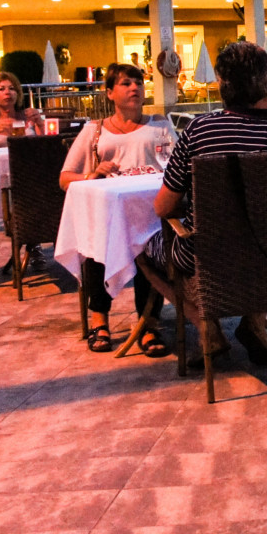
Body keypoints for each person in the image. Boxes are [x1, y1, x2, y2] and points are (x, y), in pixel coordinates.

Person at [153, 41, 267, 366]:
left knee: (141, 251)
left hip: (213, 258)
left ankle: (207, 328)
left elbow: (162, 207)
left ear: (222, 84)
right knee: (264, 244)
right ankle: (254, 323)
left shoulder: (199, 131)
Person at [59, 64, 176, 355]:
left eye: (138, 82)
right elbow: (65, 178)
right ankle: (99, 319)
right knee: (96, 242)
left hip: (149, 212)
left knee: (152, 245)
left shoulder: (160, 125)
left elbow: (178, 167)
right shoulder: (94, 130)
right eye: (126, 83)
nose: (135, 88)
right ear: (110, 93)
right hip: (107, 214)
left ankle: (148, 324)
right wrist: (92, 174)